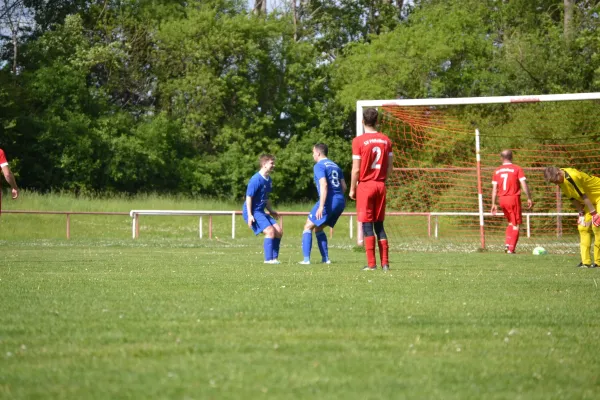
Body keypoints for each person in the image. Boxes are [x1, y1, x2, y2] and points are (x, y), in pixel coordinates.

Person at [349, 107, 393, 271]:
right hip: (380, 185)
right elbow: (389, 168)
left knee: (367, 225)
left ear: (362, 122)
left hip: (365, 186)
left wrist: (352, 188)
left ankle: (371, 264)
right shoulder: (386, 140)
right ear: (377, 122)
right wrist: (381, 181)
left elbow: (355, 169)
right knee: (379, 225)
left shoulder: (358, 141)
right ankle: (385, 263)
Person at [299, 143, 347, 265]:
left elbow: (324, 184)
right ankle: (326, 259)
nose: (313, 155)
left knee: (308, 226)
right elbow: (344, 187)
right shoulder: (336, 166)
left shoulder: (319, 166)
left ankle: (306, 260)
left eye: (313, 152)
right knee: (318, 228)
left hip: (329, 200)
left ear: (318, 153)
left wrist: (321, 206)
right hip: (340, 201)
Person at [544, 166, 600, 268]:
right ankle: (585, 262)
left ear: (558, 173)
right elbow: (572, 198)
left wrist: (594, 214)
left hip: (598, 196)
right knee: (583, 227)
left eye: (555, 181)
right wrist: (581, 213)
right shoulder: (561, 181)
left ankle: (598, 262)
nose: (555, 184)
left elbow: (583, 196)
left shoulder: (572, 176)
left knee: (597, 227)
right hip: (590, 202)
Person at [242, 154, 283, 264]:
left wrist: (271, 210)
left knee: (278, 231)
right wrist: (250, 215)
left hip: (260, 211)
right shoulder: (256, 179)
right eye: (271, 163)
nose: (273, 165)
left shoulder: (269, 180)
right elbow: (249, 197)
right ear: (264, 164)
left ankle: (274, 259)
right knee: (270, 231)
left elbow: (266, 198)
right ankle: (268, 260)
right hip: (252, 211)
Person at [490, 150, 533, 254]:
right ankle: (511, 249)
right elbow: (523, 184)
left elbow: (494, 189)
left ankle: (507, 245)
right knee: (516, 225)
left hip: (502, 199)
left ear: (501, 158)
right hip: (513, 198)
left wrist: (493, 203)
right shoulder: (517, 168)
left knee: (510, 223)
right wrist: (529, 197)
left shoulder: (497, 171)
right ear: (512, 157)